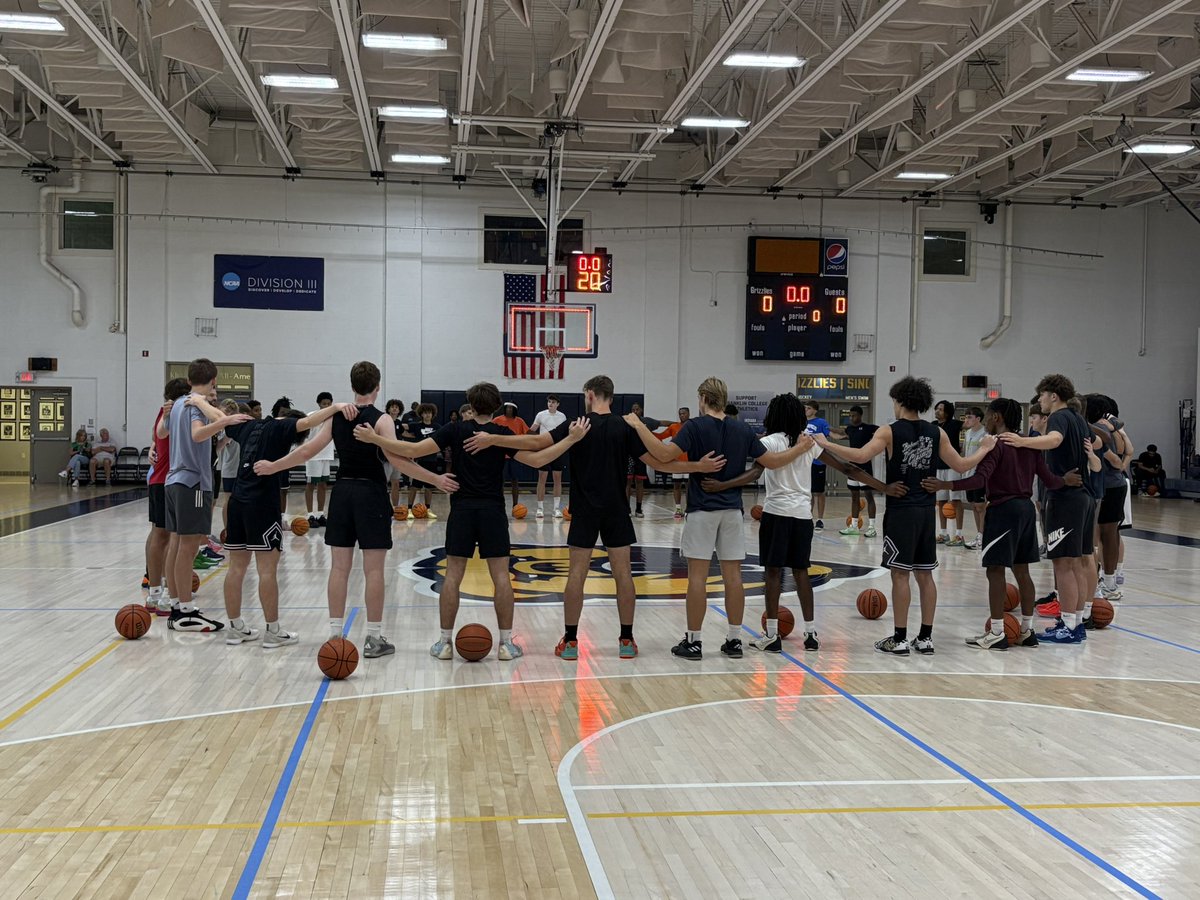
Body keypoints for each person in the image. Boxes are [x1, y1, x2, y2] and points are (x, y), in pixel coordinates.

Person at [474, 375, 724, 660]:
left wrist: (494, 438)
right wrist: (698, 466)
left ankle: (570, 641)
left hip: (585, 508)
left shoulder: (577, 426)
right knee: (623, 575)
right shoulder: (625, 426)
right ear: (611, 396)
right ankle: (627, 640)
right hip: (617, 508)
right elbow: (660, 463)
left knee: (576, 574)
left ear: (590, 394)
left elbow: (537, 442)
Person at [359, 382, 585, 662]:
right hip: (491, 510)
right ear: (497, 407)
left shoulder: (455, 429)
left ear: (470, 404)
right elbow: (539, 460)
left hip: (462, 509)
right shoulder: (501, 433)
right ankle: (505, 644)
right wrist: (571, 440)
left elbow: (413, 449)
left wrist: (376, 439)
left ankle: (444, 643)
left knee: (452, 576)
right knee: (501, 577)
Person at [256, 364, 453, 658]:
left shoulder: (337, 416)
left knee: (339, 568)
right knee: (373, 569)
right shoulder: (382, 419)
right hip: (370, 493)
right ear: (377, 387)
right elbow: (398, 460)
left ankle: (335, 634)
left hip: (343, 493)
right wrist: (436, 479)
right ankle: (373, 638)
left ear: (352, 386)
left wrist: (274, 466)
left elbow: (308, 451)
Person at [701, 393, 902, 653]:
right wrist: (884, 487)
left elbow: (754, 473)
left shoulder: (770, 442)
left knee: (773, 574)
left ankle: (772, 635)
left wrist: (722, 485)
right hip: (802, 516)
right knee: (801, 572)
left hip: (776, 514)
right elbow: (849, 469)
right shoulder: (808, 442)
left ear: (773, 415)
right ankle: (810, 633)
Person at [814, 377, 992, 655]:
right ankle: (926, 638)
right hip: (925, 511)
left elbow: (861, 457)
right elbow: (960, 465)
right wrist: (984, 449)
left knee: (900, 575)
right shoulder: (937, 433)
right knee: (925, 575)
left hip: (900, 510)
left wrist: (826, 443)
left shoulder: (889, 431)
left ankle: (899, 639)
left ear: (898, 401)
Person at [665, 378, 832, 660]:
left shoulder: (702, 427)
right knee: (745, 577)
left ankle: (703, 640)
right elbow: (836, 464)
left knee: (706, 577)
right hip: (764, 512)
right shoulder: (756, 432)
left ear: (704, 397)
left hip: (735, 510)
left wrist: (714, 479)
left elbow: (757, 471)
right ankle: (741, 639)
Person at [922, 399, 1080, 650]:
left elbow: (979, 480)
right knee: (1022, 571)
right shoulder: (1029, 445)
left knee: (995, 571)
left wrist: (946, 485)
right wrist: (1066, 480)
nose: (984, 420)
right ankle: (1027, 630)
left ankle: (997, 631)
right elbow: (1049, 480)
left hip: (1003, 510)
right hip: (1027, 511)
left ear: (996, 417)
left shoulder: (995, 445)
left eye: (987, 415)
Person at [201, 396, 358, 647]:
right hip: (262, 504)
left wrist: (198, 402)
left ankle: (235, 627)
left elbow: (218, 417)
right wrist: (336, 407)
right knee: (266, 570)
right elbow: (309, 420)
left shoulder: (249, 424)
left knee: (236, 568)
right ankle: (272, 631)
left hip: (237, 502)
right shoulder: (284, 427)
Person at [997, 375, 1095, 645]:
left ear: (1054, 395)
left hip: (1066, 498)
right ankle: (1077, 622)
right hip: (1083, 496)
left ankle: (1068, 625)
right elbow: (1093, 446)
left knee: (1062, 564)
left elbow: (1053, 440)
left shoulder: (1060, 417)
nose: (1039, 400)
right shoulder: (1078, 417)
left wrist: (1022, 442)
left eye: (1042, 395)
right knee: (1075, 564)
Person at [163, 358, 250, 632]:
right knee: (188, 547)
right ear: (214, 380)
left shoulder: (177, 403)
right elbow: (198, 434)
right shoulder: (194, 405)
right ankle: (185, 610)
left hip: (173, 479)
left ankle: (177, 604)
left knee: (178, 544)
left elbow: (162, 431)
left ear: (189, 380)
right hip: (193, 482)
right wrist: (223, 422)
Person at [143, 378, 190, 615]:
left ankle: (155, 592)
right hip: (168, 481)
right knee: (168, 537)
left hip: (160, 479)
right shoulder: (173, 412)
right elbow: (162, 432)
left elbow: (156, 438)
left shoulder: (165, 411)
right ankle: (162, 594)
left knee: (159, 535)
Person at [834, 405, 879, 537]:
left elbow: (884, 433)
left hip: (865, 466)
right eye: (850, 415)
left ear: (860, 415)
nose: (851, 417)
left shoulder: (869, 428)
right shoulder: (849, 429)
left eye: (853, 415)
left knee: (869, 496)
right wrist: (824, 428)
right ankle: (854, 526)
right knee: (854, 498)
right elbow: (838, 433)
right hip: (852, 467)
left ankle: (872, 527)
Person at [933, 399, 965, 546]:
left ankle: (958, 535)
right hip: (938, 467)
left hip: (953, 466)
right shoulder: (932, 426)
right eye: (937, 408)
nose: (937, 411)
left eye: (941, 409)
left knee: (956, 500)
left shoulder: (956, 424)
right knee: (941, 502)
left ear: (947, 412)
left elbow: (970, 426)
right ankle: (944, 533)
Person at [530, 394, 567, 519]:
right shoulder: (540, 415)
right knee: (542, 478)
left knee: (557, 479)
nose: (550, 404)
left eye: (553, 402)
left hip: (557, 450)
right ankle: (540, 508)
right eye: (549, 402)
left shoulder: (562, 416)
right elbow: (532, 429)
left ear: (558, 404)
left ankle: (556, 508)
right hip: (543, 450)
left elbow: (565, 434)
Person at [624, 402, 661, 518]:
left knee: (640, 482)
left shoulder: (646, 422)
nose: (635, 411)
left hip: (641, 455)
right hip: (629, 455)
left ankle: (639, 508)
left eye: (637, 409)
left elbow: (661, 423)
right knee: (627, 482)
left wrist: (678, 424)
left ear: (641, 411)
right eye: (633, 409)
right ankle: (627, 508)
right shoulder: (626, 422)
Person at [304, 391, 336, 528]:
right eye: (324, 404)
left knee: (323, 485)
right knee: (311, 485)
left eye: (329, 404)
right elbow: (305, 436)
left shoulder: (334, 417)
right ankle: (310, 515)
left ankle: (320, 514)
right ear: (319, 404)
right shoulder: (311, 416)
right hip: (313, 456)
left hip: (326, 455)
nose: (326, 406)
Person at [405, 403, 441, 518]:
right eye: (425, 413)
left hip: (432, 460)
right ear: (421, 414)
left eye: (429, 413)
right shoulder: (416, 426)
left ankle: (427, 509)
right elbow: (403, 428)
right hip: (419, 460)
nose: (427, 415)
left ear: (432, 414)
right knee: (414, 486)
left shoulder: (437, 427)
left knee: (429, 487)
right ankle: (409, 509)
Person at [493, 401, 529, 513]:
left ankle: (515, 505)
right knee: (500, 481)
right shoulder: (497, 420)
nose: (509, 410)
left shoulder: (519, 421)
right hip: (500, 455)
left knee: (515, 481)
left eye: (511, 408)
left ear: (514, 410)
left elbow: (527, 434)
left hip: (515, 456)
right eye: (507, 408)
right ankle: (500, 504)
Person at [960, 407, 989, 549]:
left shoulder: (985, 434)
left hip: (980, 475)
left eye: (970, 417)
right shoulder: (968, 433)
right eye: (966, 417)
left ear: (978, 418)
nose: (967, 420)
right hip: (968, 474)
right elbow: (965, 453)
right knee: (973, 505)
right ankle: (979, 535)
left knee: (980, 506)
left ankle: (984, 536)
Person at [657, 407, 691, 520]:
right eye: (680, 414)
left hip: (689, 462)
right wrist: (646, 432)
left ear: (688, 414)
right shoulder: (674, 427)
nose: (682, 415)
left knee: (688, 486)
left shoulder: (692, 426)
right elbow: (661, 436)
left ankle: (689, 508)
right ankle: (677, 508)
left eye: (684, 413)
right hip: (676, 462)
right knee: (676, 485)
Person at [803, 401, 831, 529]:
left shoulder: (821, 423)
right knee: (807, 492)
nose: (806, 410)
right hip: (804, 461)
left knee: (818, 492)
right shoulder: (801, 422)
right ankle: (808, 517)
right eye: (805, 408)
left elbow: (828, 438)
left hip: (818, 461)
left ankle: (820, 519)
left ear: (815, 410)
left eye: (808, 408)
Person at [384, 399, 406, 507]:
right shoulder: (384, 421)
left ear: (399, 410)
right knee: (383, 483)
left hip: (397, 457)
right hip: (386, 457)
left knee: (396, 483)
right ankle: (383, 506)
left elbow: (402, 436)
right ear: (388, 409)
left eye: (396, 407)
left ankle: (395, 508)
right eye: (392, 406)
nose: (394, 408)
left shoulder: (399, 423)